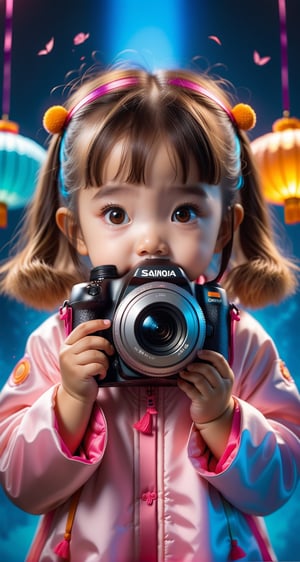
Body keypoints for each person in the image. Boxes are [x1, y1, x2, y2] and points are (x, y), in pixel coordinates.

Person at [0, 67, 299, 562]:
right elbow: (20, 485)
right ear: (75, 230)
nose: (151, 241)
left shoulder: (238, 339)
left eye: (184, 212)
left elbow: (279, 484)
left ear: (225, 226)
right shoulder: (63, 338)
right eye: (116, 214)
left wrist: (225, 418)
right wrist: (69, 400)